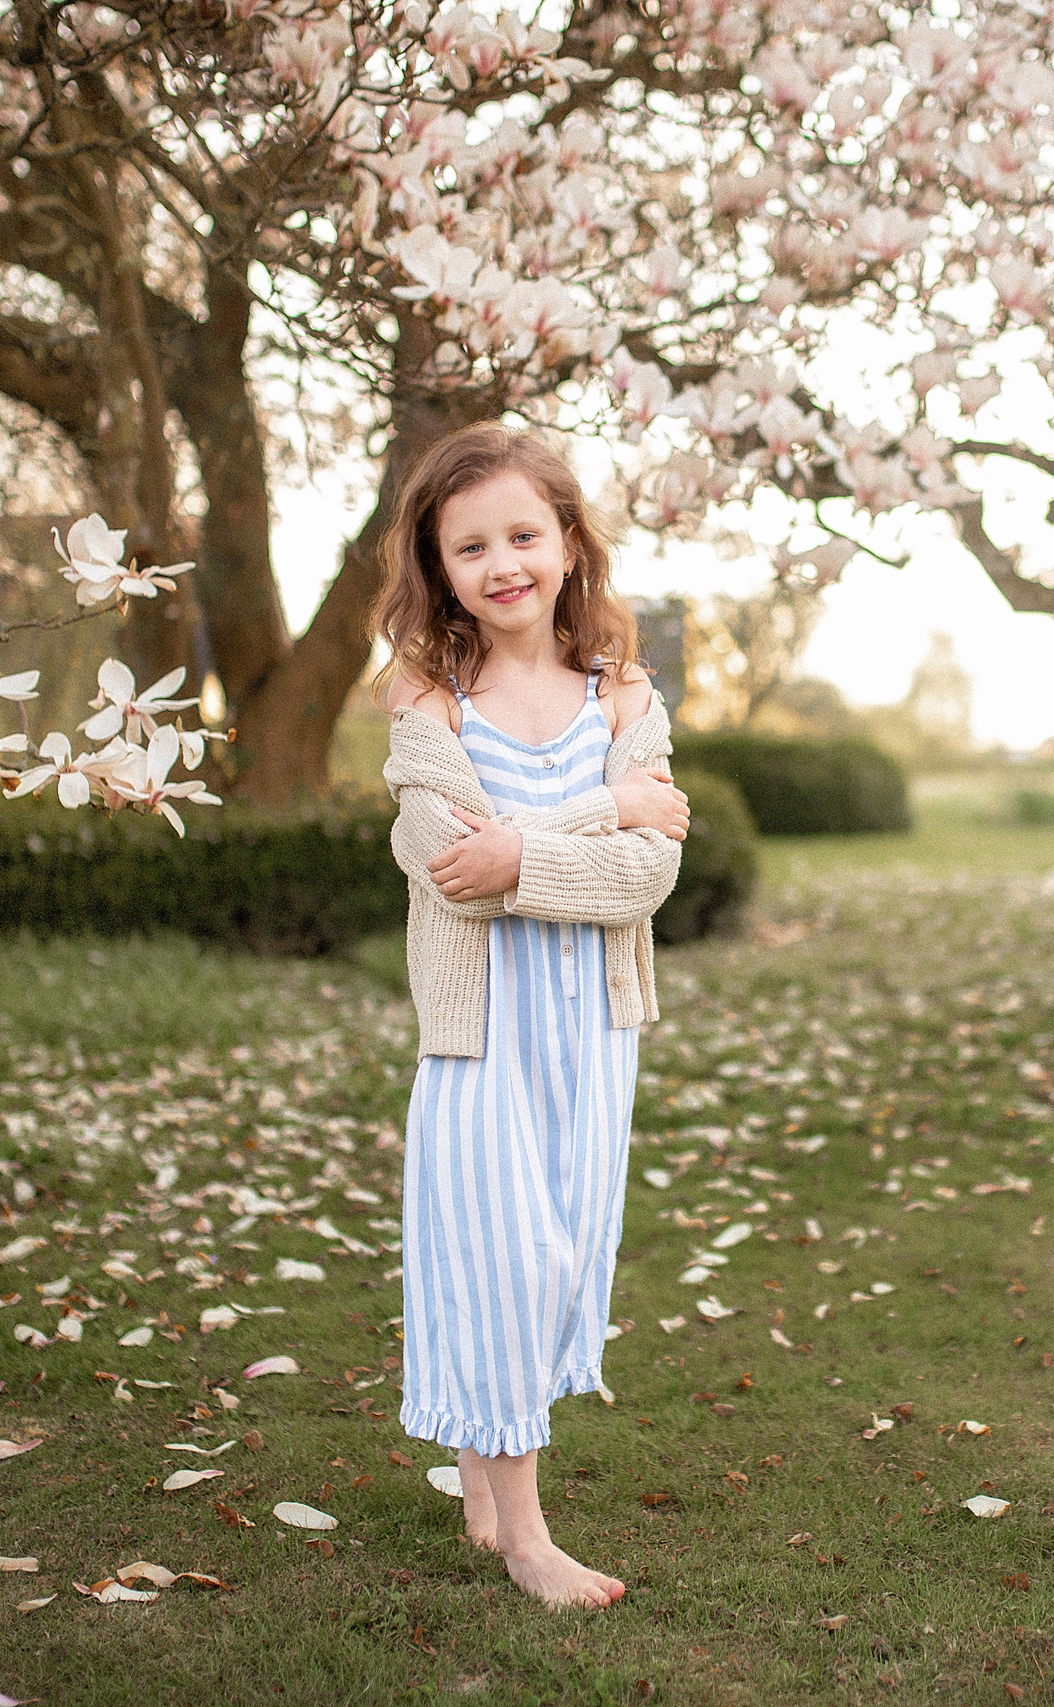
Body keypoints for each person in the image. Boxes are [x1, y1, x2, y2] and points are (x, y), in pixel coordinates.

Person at [370, 425, 692, 1609]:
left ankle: (480, 1484)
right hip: (482, 1038)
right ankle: (527, 1538)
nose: (501, 563)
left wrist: (529, 849)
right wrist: (598, 815)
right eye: (470, 547)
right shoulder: (430, 704)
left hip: (588, 1040)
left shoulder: (622, 696)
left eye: (521, 535)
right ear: (439, 567)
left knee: (555, 1264)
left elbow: (648, 875)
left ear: (565, 543)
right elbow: (446, 863)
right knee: (502, 1261)